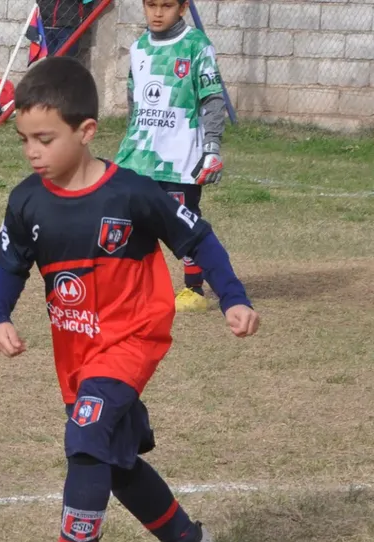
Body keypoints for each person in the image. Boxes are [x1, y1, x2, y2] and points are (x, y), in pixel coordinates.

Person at [0, 56, 259, 542]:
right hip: (76, 351)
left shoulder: (131, 193)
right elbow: (10, 267)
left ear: (86, 132)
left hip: (132, 339)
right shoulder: (26, 201)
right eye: (24, 140)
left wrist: (233, 298)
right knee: (113, 459)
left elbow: (198, 240)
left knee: (86, 437)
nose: (32, 151)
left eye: (45, 138)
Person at [116, 0, 227, 313]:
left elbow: (212, 98)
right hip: (138, 158)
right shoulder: (138, 48)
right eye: (151, 5)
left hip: (178, 159)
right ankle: (136, 287)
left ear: (182, 8)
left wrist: (212, 147)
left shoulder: (196, 45)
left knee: (183, 222)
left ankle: (194, 289)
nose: (157, 12)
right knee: (130, 222)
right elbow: (134, 102)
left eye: (166, 5)